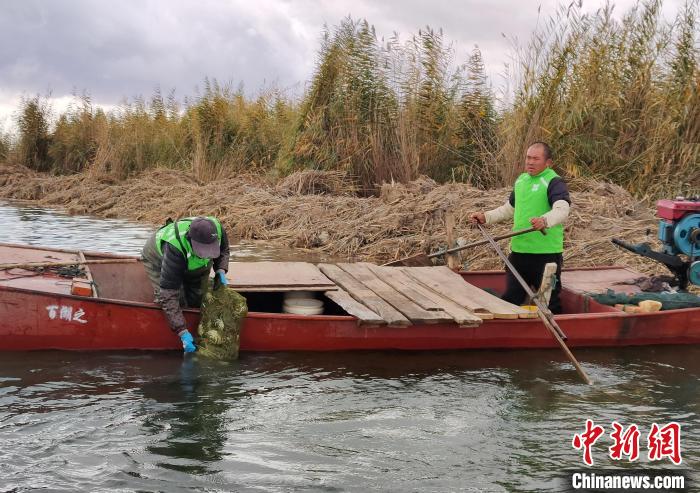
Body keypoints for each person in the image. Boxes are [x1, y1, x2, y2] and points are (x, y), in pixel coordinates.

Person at [469, 142, 570, 313]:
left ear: (548, 162)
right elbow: (509, 209)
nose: (530, 162)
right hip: (519, 252)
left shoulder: (554, 181)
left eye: (536, 159)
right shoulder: (521, 181)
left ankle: (552, 334)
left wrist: (545, 220)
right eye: (528, 158)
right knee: (511, 298)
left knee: (550, 302)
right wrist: (486, 217)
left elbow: (562, 209)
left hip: (545, 255)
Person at [141, 216, 231, 352]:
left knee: (198, 299)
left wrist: (220, 270)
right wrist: (182, 331)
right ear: (191, 241)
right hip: (157, 259)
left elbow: (224, 250)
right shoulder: (174, 248)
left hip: (194, 262)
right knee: (179, 300)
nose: (207, 255)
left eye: (210, 251)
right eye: (203, 251)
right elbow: (169, 293)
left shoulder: (217, 228)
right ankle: (181, 328)